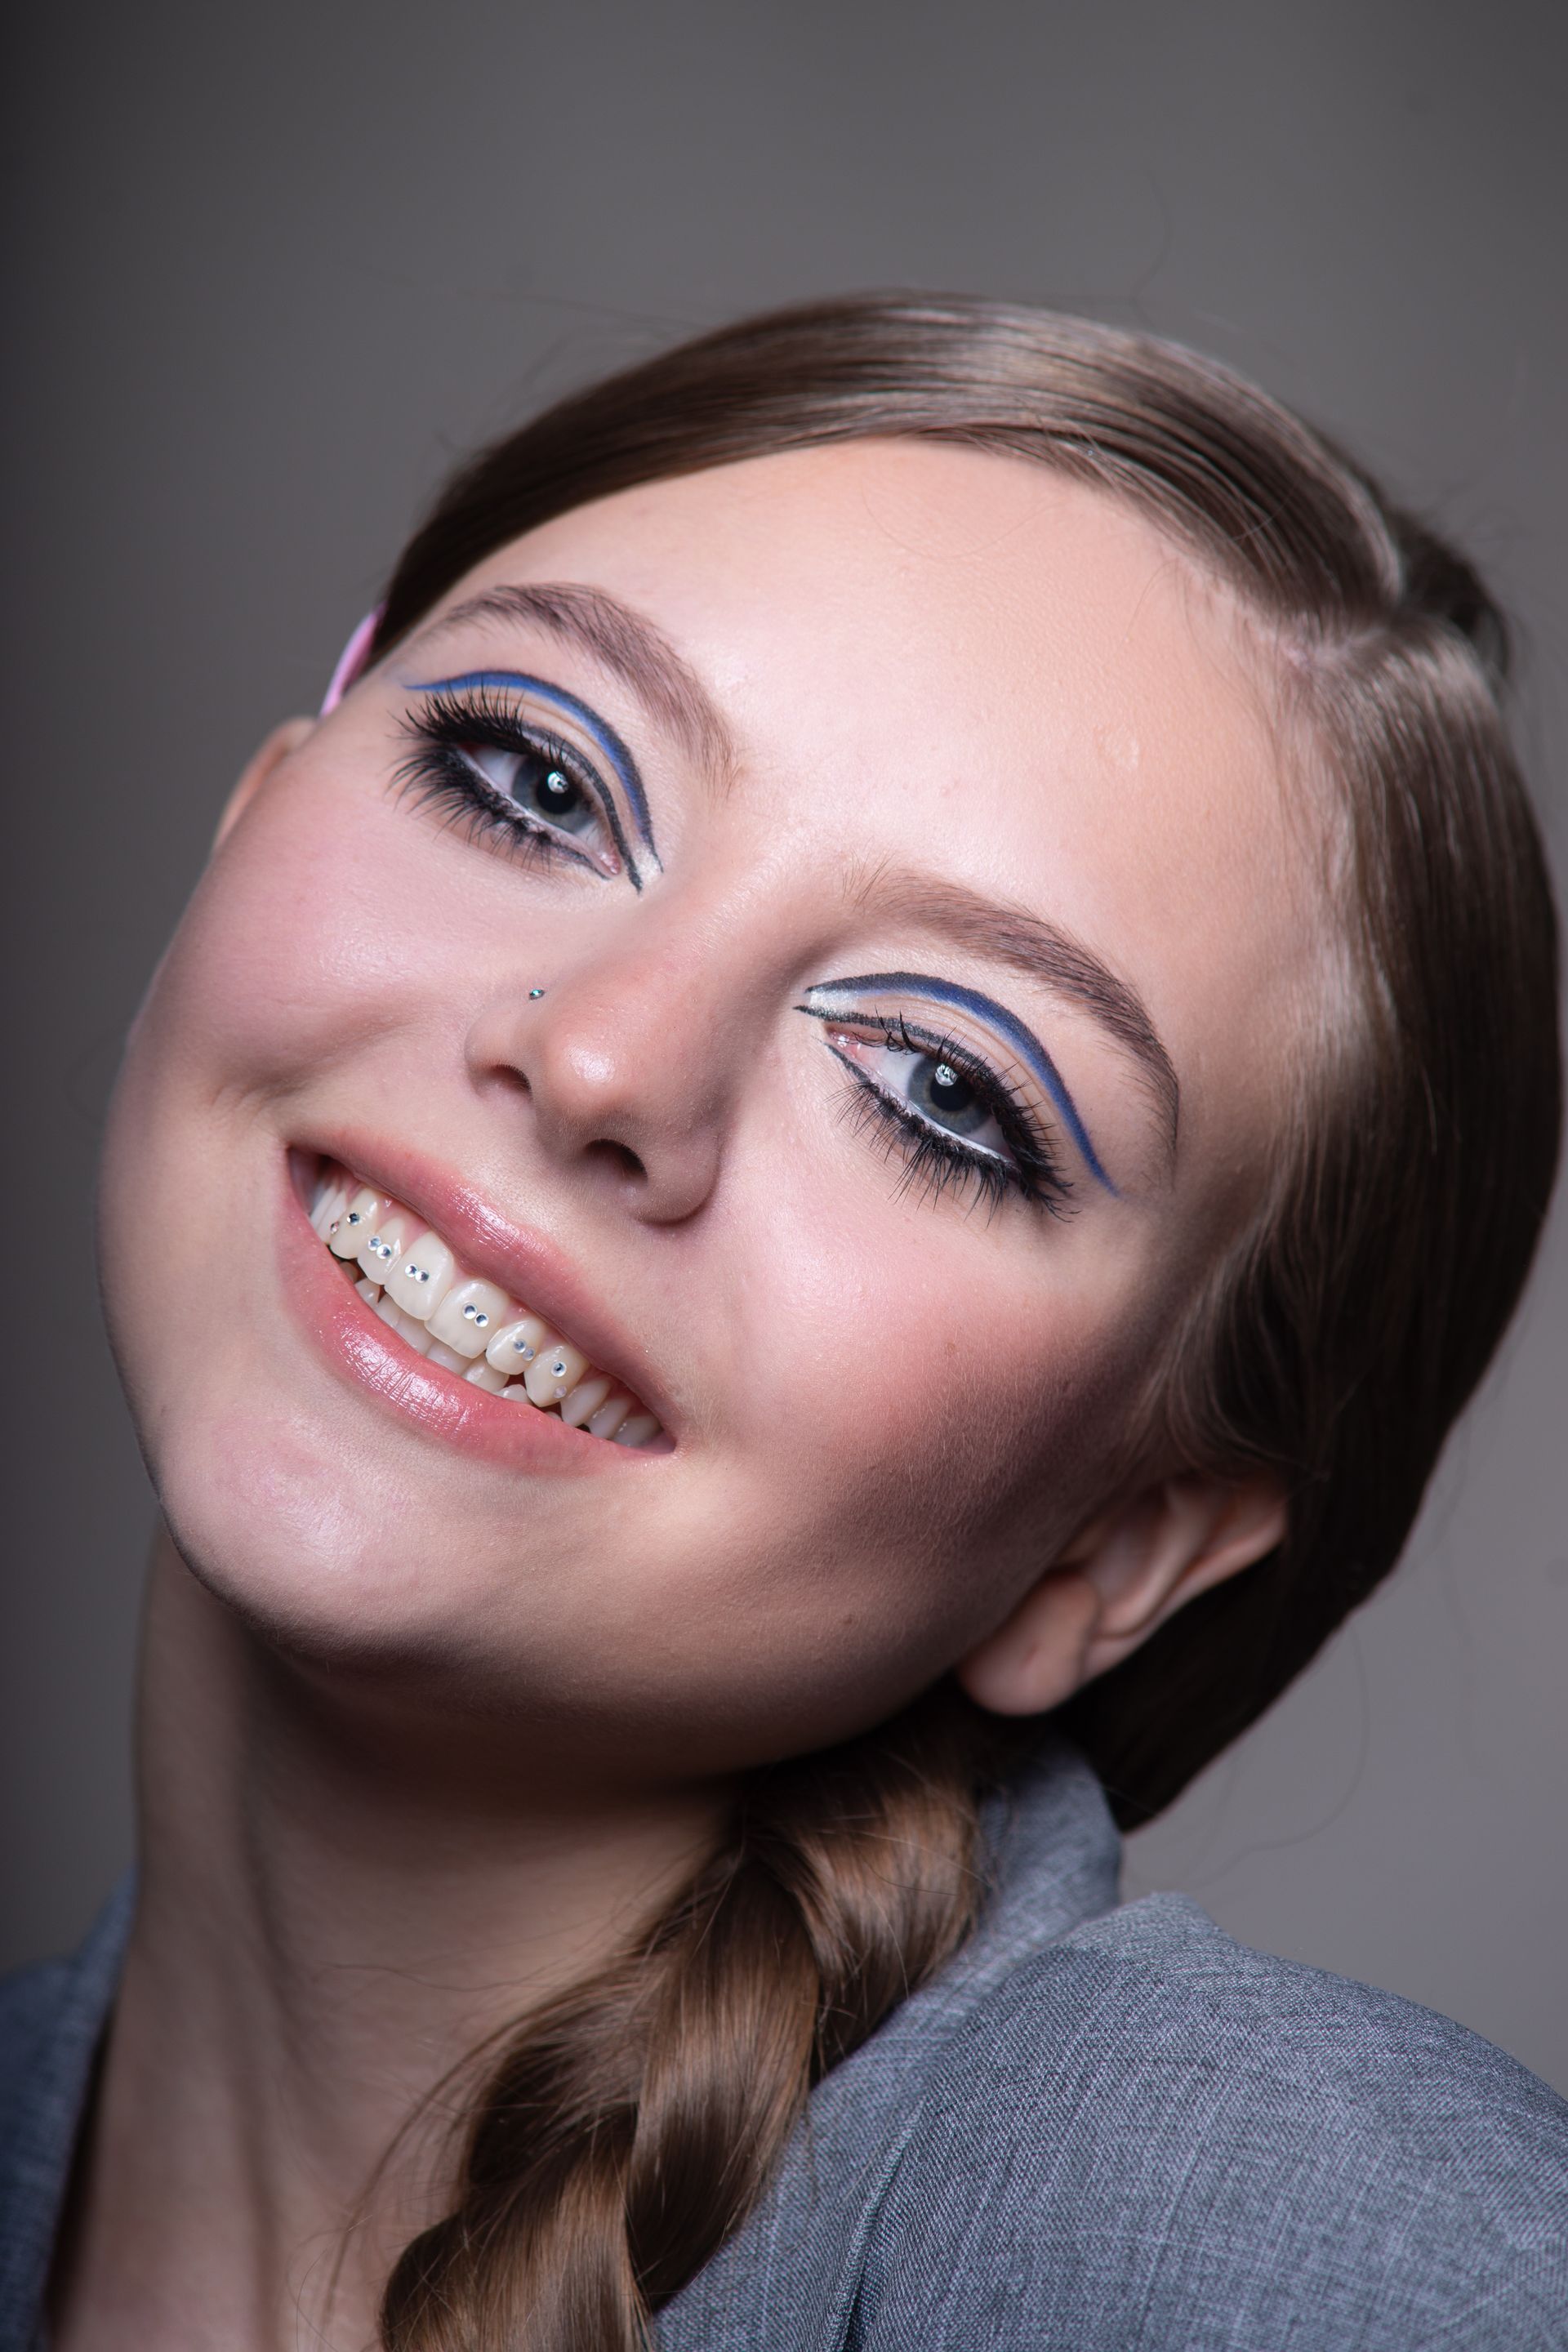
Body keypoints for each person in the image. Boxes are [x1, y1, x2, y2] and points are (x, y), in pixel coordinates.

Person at [2, 296, 1564, 2351]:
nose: (603, 1062)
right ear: (256, 817)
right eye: (533, 778)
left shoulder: (1280, 2240)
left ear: (1122, 1540)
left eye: (941, 1089)